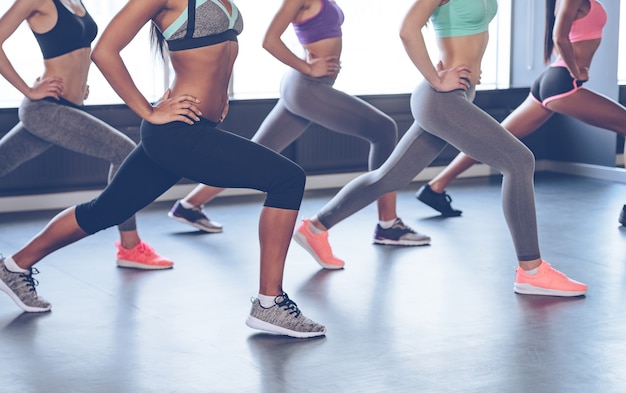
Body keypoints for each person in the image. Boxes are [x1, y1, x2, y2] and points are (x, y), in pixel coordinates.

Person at [0, 0, 326, 338]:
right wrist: (148, 110)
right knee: (287, 179)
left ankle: (14, 265)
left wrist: (220, 98)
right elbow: (106, 51)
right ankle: (269, 304)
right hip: (177, 133)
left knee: (105, 210)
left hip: (193, 128)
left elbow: (217, 56)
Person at [293, 0, 588, 297]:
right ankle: (532, 271)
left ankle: (315, 227)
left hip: (456, 95)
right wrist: (437, 78)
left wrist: (470, 71)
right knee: (519, 161)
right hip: (440, 98)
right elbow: (408, 30)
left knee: (389, 177)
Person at [166, 0, 431, 269]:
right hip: (307, 87)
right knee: (384, 129)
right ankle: (388, 224)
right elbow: (269, 40)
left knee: (257, 151)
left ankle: (189, 205)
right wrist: (309, 68)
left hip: (308, 89)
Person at [0, 0, 172, 269]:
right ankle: (130, 246)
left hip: (66, 106)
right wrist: (28, 90)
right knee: (123, 150)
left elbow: (76, 53)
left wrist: (79, 85)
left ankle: (130, 247)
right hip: (45, 109)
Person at [416, 0, 626, 218]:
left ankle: (436, 187)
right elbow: (559, 38)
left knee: (496, 138)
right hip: (563, 84)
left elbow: (565, 39)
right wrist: (576, 71)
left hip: (552, 83)